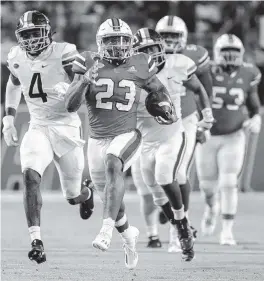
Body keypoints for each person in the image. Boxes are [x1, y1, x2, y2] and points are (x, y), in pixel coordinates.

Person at [65, 18, 176, 269]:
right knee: (110, 195)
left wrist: (167, 107)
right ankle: (128, 236)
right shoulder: (87, 61)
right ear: (100, 43)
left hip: (128, 134)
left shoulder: (141, 62)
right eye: (111, 40)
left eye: (122, 40)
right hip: (97, 139)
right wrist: (83, 81)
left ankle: (105, 231)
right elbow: (70, 106)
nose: (117, 45)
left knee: (114, 163)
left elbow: (158, 90)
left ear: (130, 42)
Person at [2, 10, 94, 264]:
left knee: (73, 196)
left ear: (48, 32)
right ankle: (36, 241)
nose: (31, 39)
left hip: (66, 128)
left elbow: (81, 83)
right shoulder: (16, 55)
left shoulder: (65, 52)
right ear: (19, 37)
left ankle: (87, 194)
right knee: (30, 175)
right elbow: (13, 84)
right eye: (26, 34)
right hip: (38, 126)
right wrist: (8, 117)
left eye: (35, 33)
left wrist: (75, 83)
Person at [131, 28, 214, 261]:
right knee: (157, 195)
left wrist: (206, 114)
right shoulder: (128, 73)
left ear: (161, 48)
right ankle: (183, 225)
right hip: (146, 141)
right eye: (143, 51)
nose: (148, 55)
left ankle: (181, 226)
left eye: (152, 49)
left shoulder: (178, 64)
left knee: (165, 176)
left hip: (173, 134)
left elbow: (198, 89)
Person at [196, 34, 262, 245]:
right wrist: (197, 124)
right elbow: (196, 98)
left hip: (234, 135)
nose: (231, 57)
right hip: (208, 136)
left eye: (234, 52)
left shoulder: (249, 72)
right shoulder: (206, 71)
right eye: (226, 52)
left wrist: (256, 118)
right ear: (217, 53)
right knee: (207, 186)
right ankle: (211, 207)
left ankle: (226, 230)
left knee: (228, 182)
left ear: (241, 54)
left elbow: (253, 104)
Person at [155, 15, 213, 252]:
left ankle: (177, 231)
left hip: (186, 120)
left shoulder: (194, 56)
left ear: (184, 38)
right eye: (164, 36)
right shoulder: (146, 54)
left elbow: (205, 89)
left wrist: (205, 120)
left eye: (173, 36)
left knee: (178, 173)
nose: (169, 41)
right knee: (152, 177)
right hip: (153, 124)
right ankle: (171, 213)